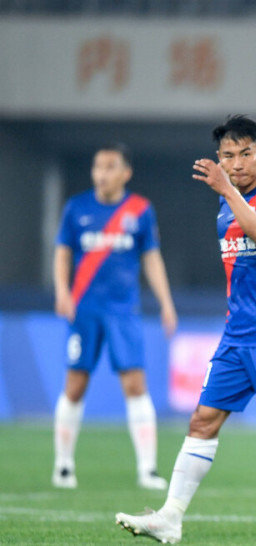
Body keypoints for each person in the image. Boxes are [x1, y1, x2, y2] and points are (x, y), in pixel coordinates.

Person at [114, 115, 256, 544]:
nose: (236, 163)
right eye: (227, 156)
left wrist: (229, 192)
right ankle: (171, 517)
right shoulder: (226, 205)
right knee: (203, 420)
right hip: (237, 335)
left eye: (245, 153)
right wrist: (230, 196)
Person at [52, 143, 176, 490]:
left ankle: (147, 469)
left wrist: (166, 301)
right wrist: (62, 290)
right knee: (75, 385)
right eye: (97, 167)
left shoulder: (140, 210)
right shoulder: (76, 208)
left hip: (123, 311)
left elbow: (151, 258)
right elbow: (62, 251)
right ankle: (63, 465)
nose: (101, 174)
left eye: (109, 167)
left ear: (126, 172)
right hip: (84, 310)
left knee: (135, 385)